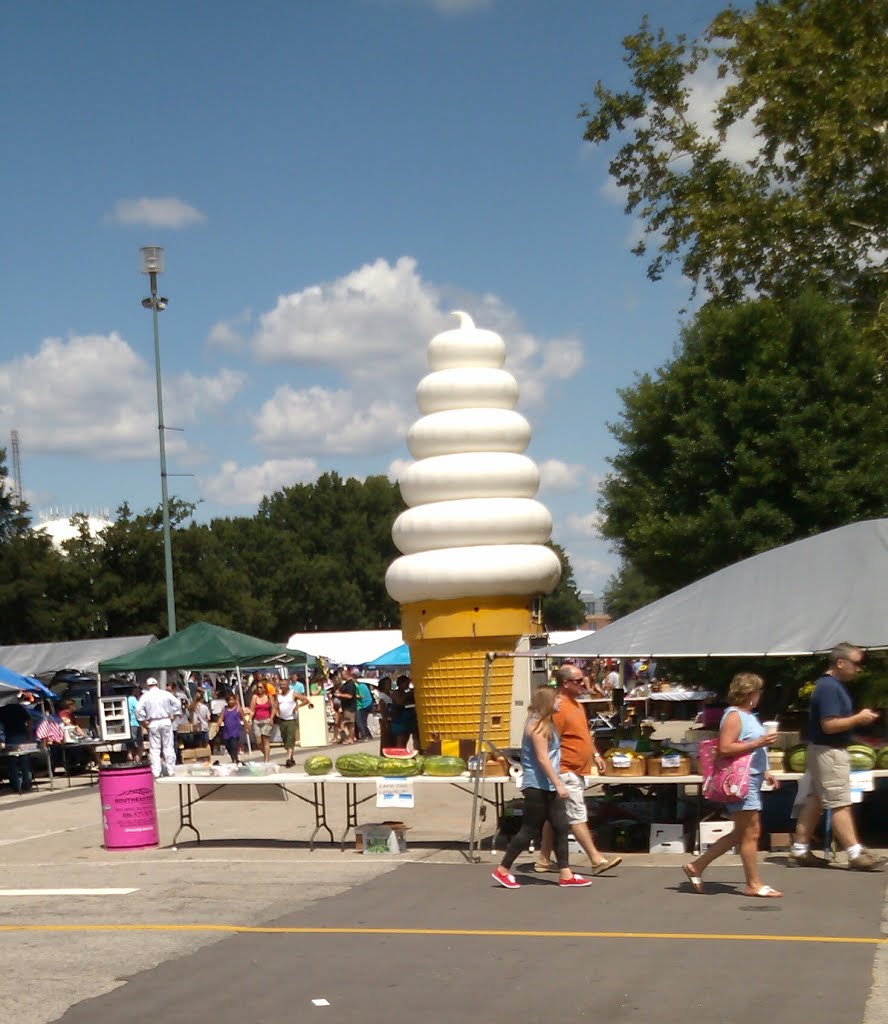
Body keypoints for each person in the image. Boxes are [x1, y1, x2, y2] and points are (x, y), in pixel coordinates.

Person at [682, 672, 782, 897]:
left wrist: (765, 771)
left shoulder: (747, 715)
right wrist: (759, 742)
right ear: (750, 694)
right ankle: (753, 883)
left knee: (742, 832)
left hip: (752, 777)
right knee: (751, 832)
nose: (760, 696)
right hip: (741, 782)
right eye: (758, 692)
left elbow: (748, 751)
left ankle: (697, 866)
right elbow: (725, 748)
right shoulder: (734, 716)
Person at [791, 643, 885, 871]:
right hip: (829, 752)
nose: (859, 669)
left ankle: (800, 850)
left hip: (823, 750)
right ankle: (855, 854)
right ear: (840, 663)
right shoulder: (829, 688)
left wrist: (861, 736)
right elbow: (830, 725)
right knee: (840, 802)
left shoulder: (829, 686)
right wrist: (859, 718)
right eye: (856, 663)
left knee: (816, 799)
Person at [492, 686, 591, 889]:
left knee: (561, 827)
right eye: (556, 699)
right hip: (537, 786)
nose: (560, 702)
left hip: (549, 786)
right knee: (529, 829)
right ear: (547, 702)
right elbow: (543, 759)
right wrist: (558, 784)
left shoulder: (548, 723)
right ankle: (502, 870)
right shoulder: (537, 727)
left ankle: (566, 873)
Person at [534, 665, 622, 876]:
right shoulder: (558, 708)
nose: (585, 683)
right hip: (565, 769)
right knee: (577, 815)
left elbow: (583, 734)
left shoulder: (576, 705)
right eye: (579, 681)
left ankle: (544, 859)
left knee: (556, 816)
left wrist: (596, 755)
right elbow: (549, 740)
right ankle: (596, 858)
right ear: (566, 684)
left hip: (577, 769)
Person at [135, 678, 181, 780]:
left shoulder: (145, 696)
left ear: (148, 685)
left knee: (155, 748)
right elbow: (177, 703)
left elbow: (138, 710)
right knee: (168, 746)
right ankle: (171, 769)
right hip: (165, 720)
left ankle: (156, 771)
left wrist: (143, 720)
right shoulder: (165, 694)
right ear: (157, 684)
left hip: (153, 721)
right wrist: (174, 714)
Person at [0, 695, 34, 793]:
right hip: (22, 737)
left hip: (10, 738)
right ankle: (27, 784)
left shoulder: (2, 710)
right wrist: (29, 735)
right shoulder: (19, 708)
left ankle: (16, 786)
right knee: (25, 762)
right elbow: (29, 721)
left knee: (12, 763)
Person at [276, 681, 313, 768]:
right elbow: (276, 706)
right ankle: (291, 758)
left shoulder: (293, 694)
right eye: (281, 685)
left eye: (284, 685)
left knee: (290, 738)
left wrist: (297, 707)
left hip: (291, 719)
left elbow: (305, 700)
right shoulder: (279, 696)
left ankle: (288, 759)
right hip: (282, 719)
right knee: (285, 739)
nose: (282, 686)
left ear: (288, 685)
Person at [248, 683, 277, 762]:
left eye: (261, 687)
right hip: (257, 721)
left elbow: (274, 708)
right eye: (258, 687)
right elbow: (252, 710)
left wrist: (271, 718)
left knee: (265, 740)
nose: (259, 689)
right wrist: (249, 720)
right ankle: (266, 754)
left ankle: (266, 760)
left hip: (266, 720)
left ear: (264, 689)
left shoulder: (268, 697)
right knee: (258, 742)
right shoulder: (255, 697)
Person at [391, 675, 420, 751]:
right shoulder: (396, 693)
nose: (407, 685)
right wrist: (408, 694)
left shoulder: (407, 693)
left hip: (409, 719)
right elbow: (399, 702)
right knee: (401, 741)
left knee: (415, 738)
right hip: (399, 720)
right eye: (406, 683)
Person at [220, 694, 245, 764]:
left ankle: (235, 759)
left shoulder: (237, 708)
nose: (231, 702)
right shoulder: (224, 709)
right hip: (226, 732)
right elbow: (221, 718)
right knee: (228, 747)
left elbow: (243, 718)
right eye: (229, 700)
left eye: (232, 700)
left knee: (234, 746)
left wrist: (246, 726)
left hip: (235, 731)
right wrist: (218, 725)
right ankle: (234, 759)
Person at [334, 669, 357, 745]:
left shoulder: (350, 684)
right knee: (347, 723)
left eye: (342, 675)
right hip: (345, 706)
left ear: (346, 675)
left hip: (350, 707)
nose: (341, 676)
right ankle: (348, 737)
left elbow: (350, 696)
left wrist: (340, 695)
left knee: (350, 723)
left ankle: (351, 738)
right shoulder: (346, 684)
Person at [376, 676, 394, 753]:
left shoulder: (391, 694)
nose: (389, 685)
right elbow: (382, 709)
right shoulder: (382, 696)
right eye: (387, 684)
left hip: (392, 718)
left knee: (391, 738)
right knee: (385, 738)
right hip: (385, 719)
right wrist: (385, 720)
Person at [126, 686, 142, 761]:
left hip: (128, 724)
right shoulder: (133, 699)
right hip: (135, 723)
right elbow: (139, 709)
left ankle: (130, 756)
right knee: (138, 744)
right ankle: (137, 760)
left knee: (130, 744)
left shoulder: (127, 699)